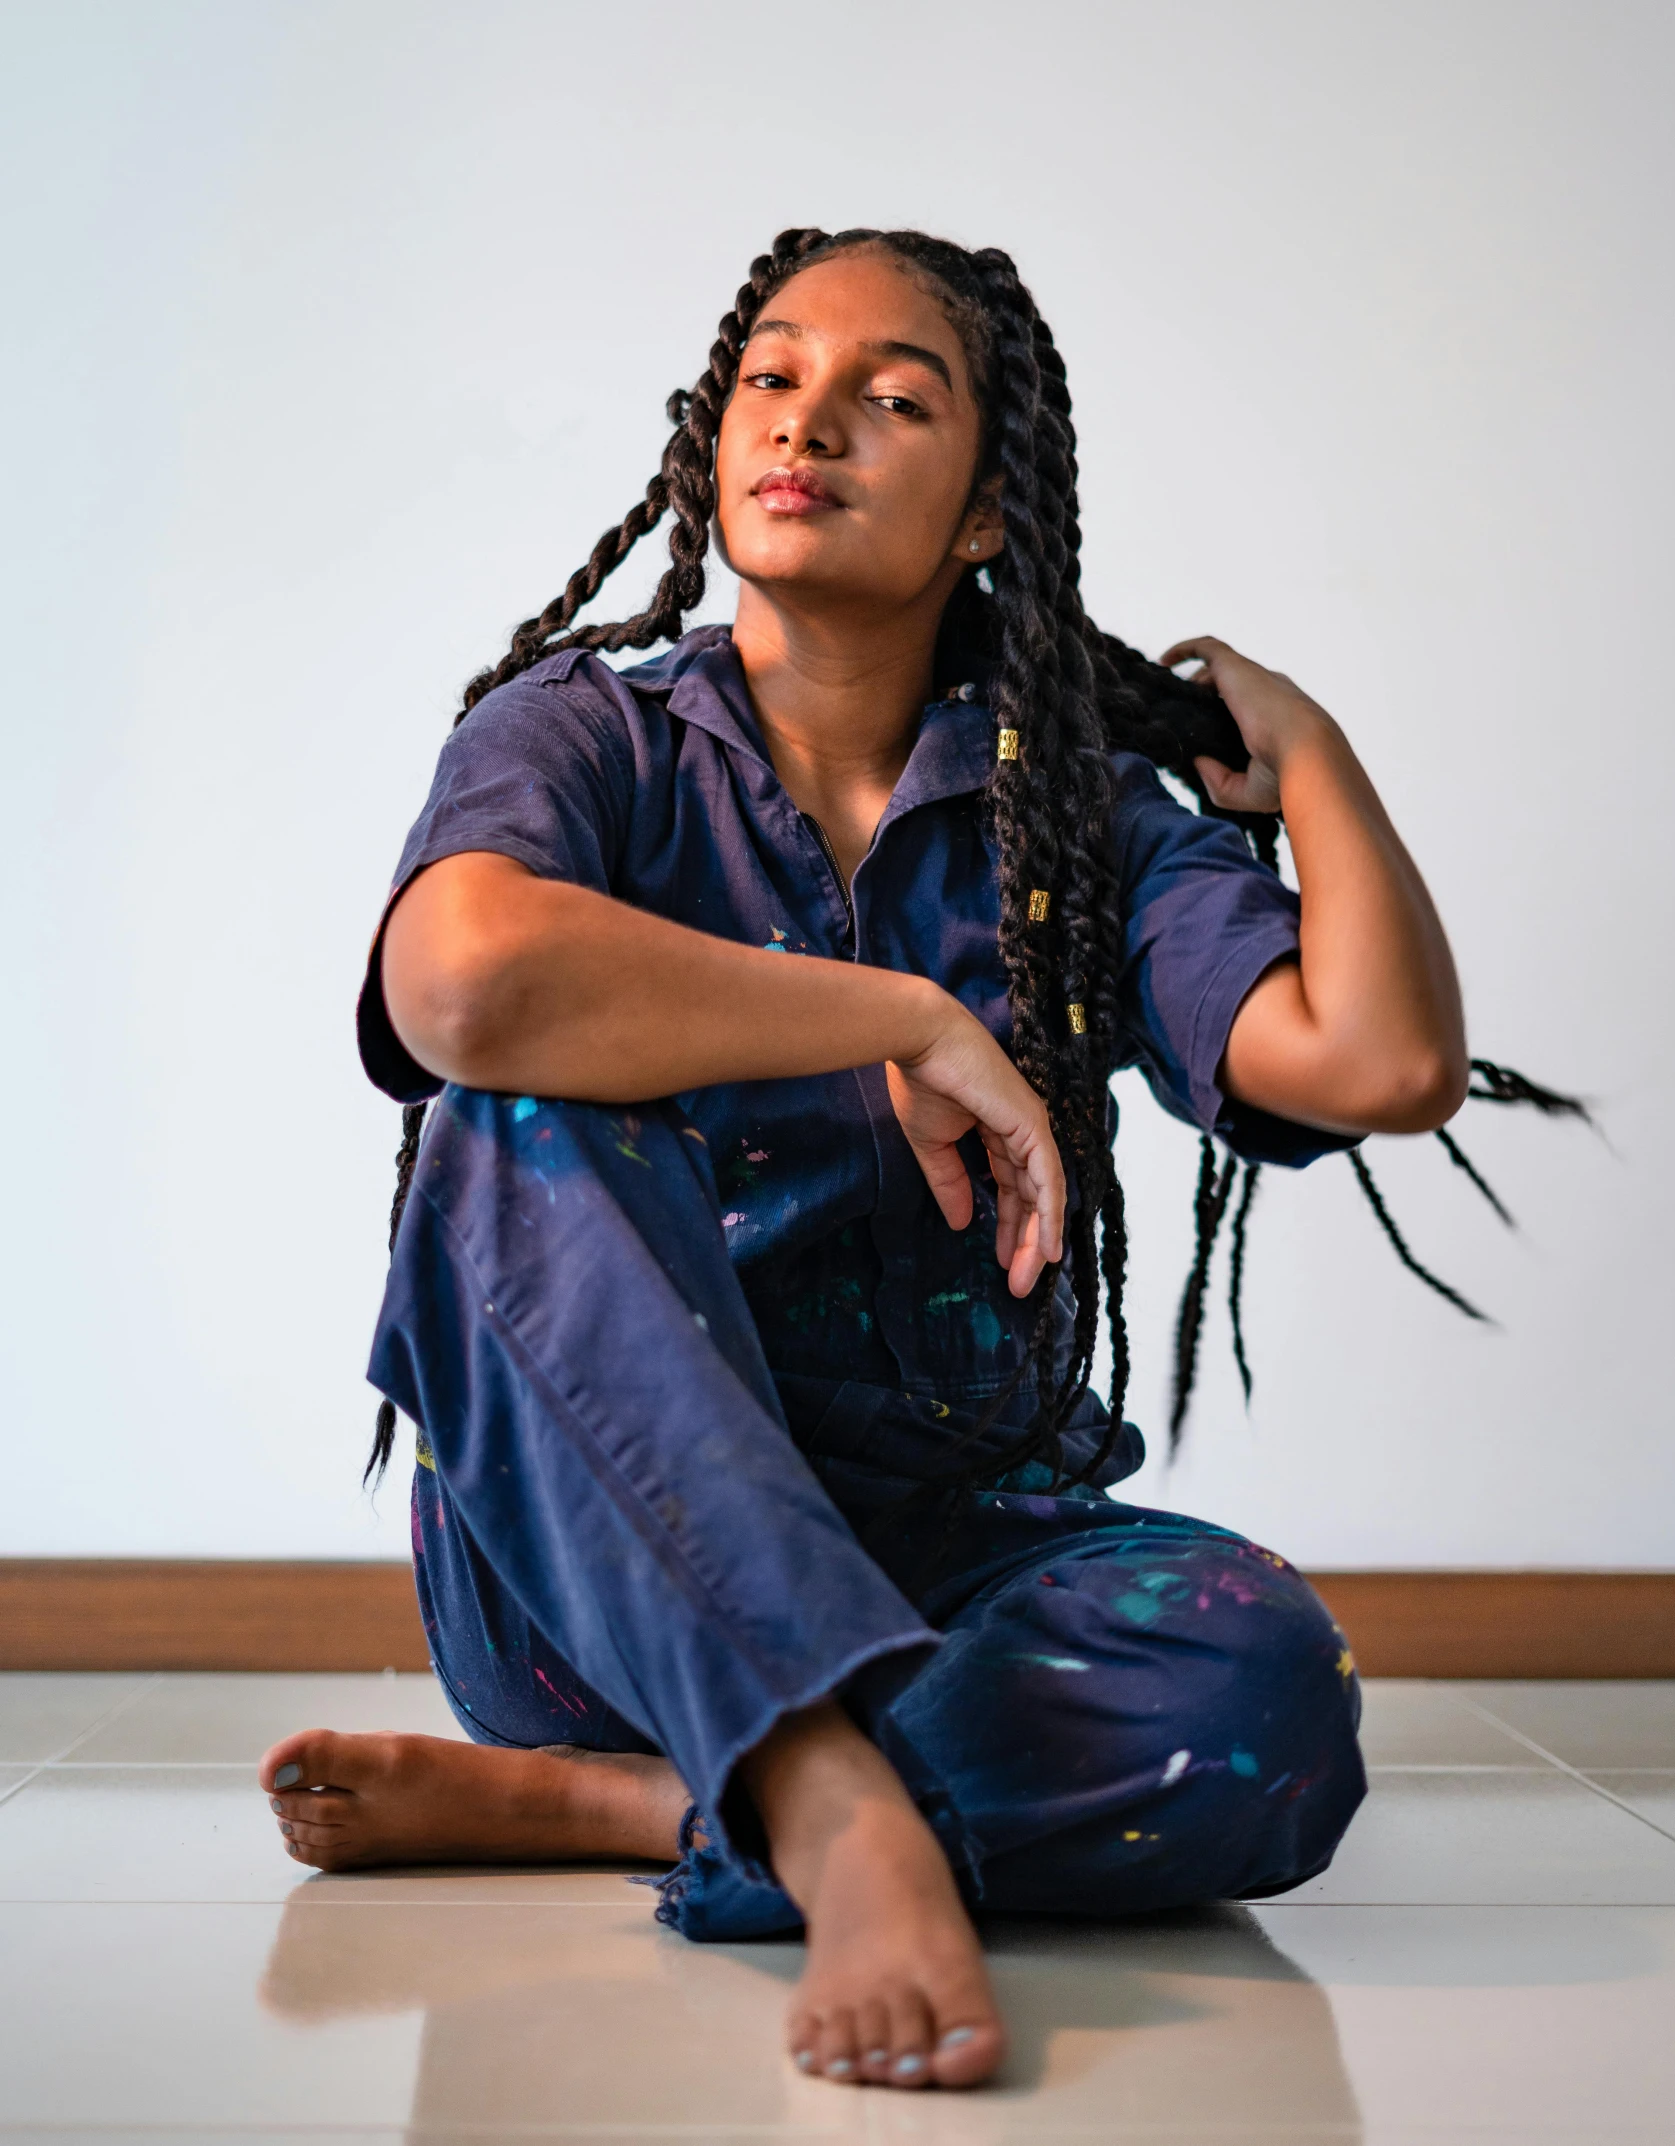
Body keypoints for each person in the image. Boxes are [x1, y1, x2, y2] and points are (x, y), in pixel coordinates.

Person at [256, 228, 1468, 2091]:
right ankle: (825, 1804)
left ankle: (629, 1806)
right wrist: (900, 1015)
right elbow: (464, 987)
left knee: (1269, 1697)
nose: (808, 420)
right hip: (593, 1583)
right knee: (512, 1112)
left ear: (987, 512)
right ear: (711, 440)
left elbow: (1382, 1059)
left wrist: (1317, 761)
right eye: (770, 377)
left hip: (953, 1560)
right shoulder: (585, 735)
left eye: (892, 399)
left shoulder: (1081, 820)